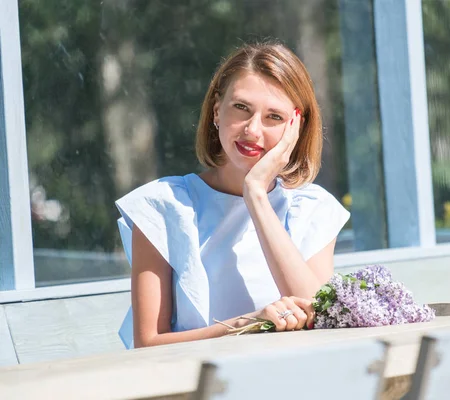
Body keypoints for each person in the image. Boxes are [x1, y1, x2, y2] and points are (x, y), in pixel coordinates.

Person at [115, 42, 350, 349]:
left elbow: (321, 319)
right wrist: (245, 325)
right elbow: (148, 343)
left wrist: (255, 194)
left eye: (274, 117)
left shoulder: (312, 209)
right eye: (241, 108)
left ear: (295, 127)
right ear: (216, 110)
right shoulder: (163, 207)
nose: (252, 130)